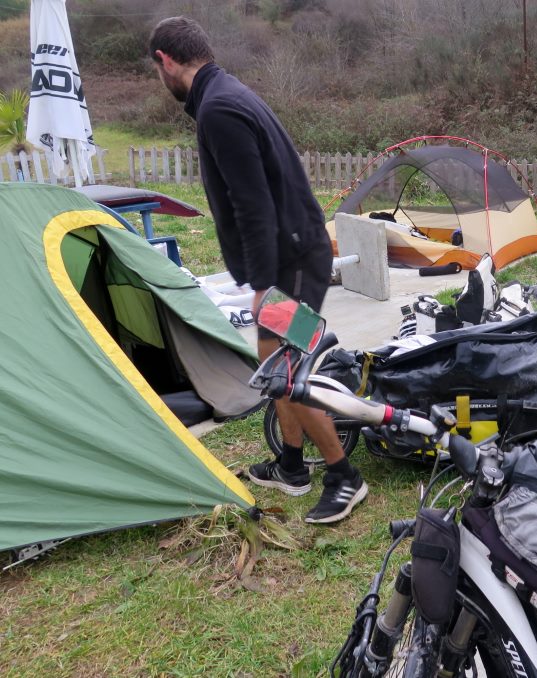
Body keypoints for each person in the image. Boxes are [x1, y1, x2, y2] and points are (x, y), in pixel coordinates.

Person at [148, 17, 368, 524]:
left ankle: (343, 476)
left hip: (290, 262)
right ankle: (291, 465)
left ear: (165, 59)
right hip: (296, 251)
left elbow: (253, 205)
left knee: (287, 368)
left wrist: (264, 285)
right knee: (275, 366)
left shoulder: (220, 109)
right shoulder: (224, 93)